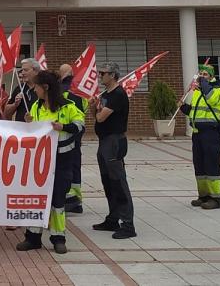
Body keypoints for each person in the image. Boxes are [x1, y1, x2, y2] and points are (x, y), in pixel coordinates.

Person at [16, 70, 84, 255]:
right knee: (36, 199)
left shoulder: (69, 106)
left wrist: (64, 127)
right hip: (39, 162)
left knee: (57, 201)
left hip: (62, 161)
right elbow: (32, 132)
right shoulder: (36, 107)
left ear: (45, 87)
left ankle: (58, 238)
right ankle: (33, 237)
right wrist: (28, 122)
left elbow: (80, 126)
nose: (35, 90)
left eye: (36, 86)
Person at [90, 62, 137, 238]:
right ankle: (113, 218)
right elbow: (94, 114)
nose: (100, 76)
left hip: (114, 142)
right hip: (104, 141)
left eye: (103, 73)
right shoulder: (105, 94)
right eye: (100, 73)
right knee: (108, 182)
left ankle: (128, 224)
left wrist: (96, 110)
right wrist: (93, 106)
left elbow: (100, 117)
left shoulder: (117, 94)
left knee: (118, 182)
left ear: (112, 75)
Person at [179, 64, 220, 210]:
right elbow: (195, 112)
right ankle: (203, 195)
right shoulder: (198, 92)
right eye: (201, 74)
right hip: (197, 133)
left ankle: (215, 198)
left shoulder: (216, 91)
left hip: (211, 133)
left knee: (211, 165)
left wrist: (204, 84)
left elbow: (211, 100)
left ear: (212, 77)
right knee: (199, 165)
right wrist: (183, 107)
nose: (202, 77)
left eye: (206, 74)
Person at [57, 63, 85, 214]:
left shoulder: (62, 89)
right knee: (75, 169)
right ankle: (76, 201)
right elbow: (83, 111)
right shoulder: (79, 90)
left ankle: (71, 199)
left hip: (64, 136)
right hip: (75, 135)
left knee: (66, 169)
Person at [3, 57, 40, 122]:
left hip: (38, 129)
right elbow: (6, 114)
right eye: (22, 70)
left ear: (35, 71)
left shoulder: (43, 89)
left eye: (25, 70)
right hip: (21, 130)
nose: (22, 73)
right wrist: (15, 104)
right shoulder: (19, 88)